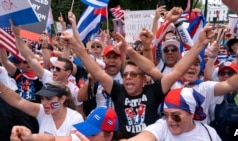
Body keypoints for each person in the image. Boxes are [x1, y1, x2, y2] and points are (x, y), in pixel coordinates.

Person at [60, 7, 216, 138]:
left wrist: (200, 44)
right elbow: (96, 71)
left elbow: (178, 70)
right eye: (125, 74)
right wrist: (75, 45)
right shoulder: (117, 91)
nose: (127, 77)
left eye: (133, 74)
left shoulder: (154, 91)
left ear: (143, 79)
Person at [120, 87, 222, 141]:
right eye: (166, 115)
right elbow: (145, 137)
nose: (169, 120)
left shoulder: (209, 133)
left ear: (191, 113)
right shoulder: (163, 126)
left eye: (176, 115)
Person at [0, 81, 83, 136]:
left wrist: (33, 138)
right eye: (42, 98)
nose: (44, 103)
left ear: (62, 99)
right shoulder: (41, 111)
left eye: (48, 99)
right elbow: (18, 101)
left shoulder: (75, 118)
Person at [10, 107, 118, 141]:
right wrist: (30, 137)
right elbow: (53, 139)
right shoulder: (81, 138)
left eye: (93, 134)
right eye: (86, 131)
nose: (87, 137)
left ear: (109, 136)